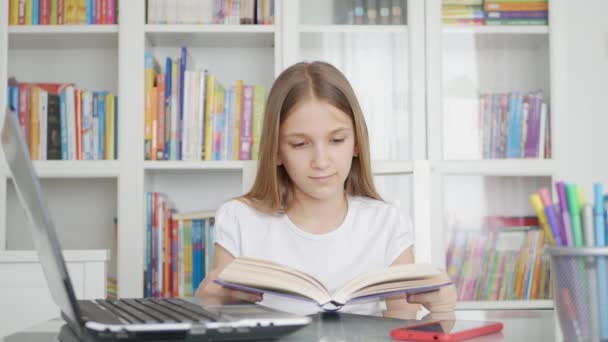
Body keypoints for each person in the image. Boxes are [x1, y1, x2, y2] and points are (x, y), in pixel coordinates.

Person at [195, 61, 456, 317]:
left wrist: (443, 310)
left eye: (337, 140)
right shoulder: (239, 219)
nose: (321, 161)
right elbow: (226, 321)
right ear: (276, 151)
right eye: (299, 144)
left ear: (356, 143)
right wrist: (209, 306)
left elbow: (403, 326)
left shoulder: (387, 223)